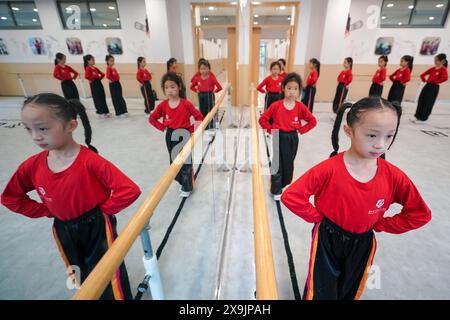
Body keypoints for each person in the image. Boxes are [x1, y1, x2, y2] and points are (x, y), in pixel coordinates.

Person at [281, 96, 432, 300]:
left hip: (363, 242)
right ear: (348, 131)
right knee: (322, 288)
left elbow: (420, 214)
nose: (380, 144)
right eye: (372, 135)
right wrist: (317, 217)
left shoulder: (394, 176)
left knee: (350, 288)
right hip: (327, 238)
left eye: (389, 136)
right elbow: (292, 196)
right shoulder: (329, 169)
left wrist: (383, 224)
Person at [1, 93, 141, 300]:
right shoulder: (32, 166)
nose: (35, 136)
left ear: (70, 126)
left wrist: (102, 211)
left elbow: (129, 189)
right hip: (63, 227)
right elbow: (11, 197)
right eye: (28, 129)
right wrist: (45, 210)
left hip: (97, 226)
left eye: (42, 128)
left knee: (106, 270)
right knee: (76, 268)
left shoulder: (90, 161)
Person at [259, 72, 317, 200]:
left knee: (288, 163)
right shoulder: (276, 105)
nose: (292, 91)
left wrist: (301, 130)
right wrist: (270, 130)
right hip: (277, 136)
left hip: (292, 138)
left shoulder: (300, 107)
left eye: (295, 89)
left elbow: (313, 121)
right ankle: (276, 189)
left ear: (299, 91)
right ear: (283, 88)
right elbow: (262, 119)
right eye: (289, 88)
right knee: (277, 164)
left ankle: (284, 184)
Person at [149, 73, 204, 198]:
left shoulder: (186, 104)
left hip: (184, 135)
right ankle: (182, 181)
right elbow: (152, 119)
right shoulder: (163, 105)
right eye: (166, 87)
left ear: (179, 87)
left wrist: (191, 129)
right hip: (170, 136)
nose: (169, 90)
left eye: (172, 87)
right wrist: (163, 128)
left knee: (186, 162)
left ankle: (188, 186)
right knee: (174, 162)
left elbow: (199, 118)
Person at [411, 53, 448, 123]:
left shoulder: (443, 69)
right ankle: (417, 116)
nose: (435, 61)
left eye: (437, 60)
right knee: (421, 100)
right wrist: (424, 80)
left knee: (428, 102)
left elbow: (445, 78)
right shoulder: (433, 68)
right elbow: (423, 74)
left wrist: (436, 81)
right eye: (435, 60)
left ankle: (423, 118)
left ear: (442, 61)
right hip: (427, 85)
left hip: (434, 87)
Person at [190, 59, 222, 134]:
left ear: (208, 69)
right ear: (199, 70)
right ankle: (204, 125)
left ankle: (212, 125)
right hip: (201, 96)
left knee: (211, 111)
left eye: (205, 68)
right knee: (202, 111)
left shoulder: (211, 78)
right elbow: (191, 87)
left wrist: (215, 91)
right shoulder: (197, 78)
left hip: (209, 95)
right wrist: (196, 90)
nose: (203, 70)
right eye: (201, 69)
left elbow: (220, 87)